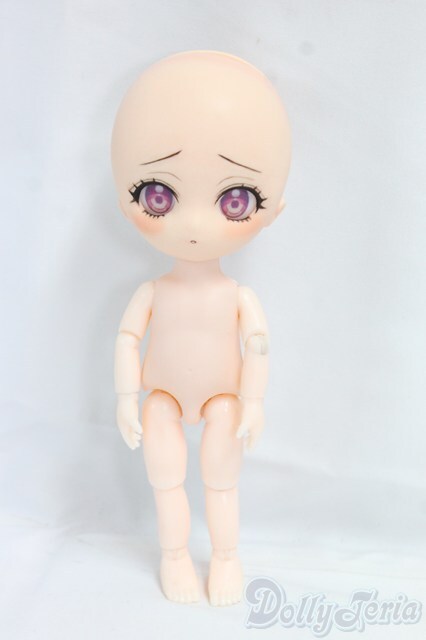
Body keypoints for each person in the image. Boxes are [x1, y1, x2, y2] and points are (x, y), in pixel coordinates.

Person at [111, 50, 291, 606]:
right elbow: (128, 340)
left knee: (221, 479)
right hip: (161, 396)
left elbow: (258, 346)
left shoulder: (237, 297)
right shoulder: (153, 292)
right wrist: (126, 396)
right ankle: (174, 557)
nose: (193, 224)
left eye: (236, 201)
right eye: (158, 195)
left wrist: (254, 403)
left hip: (222, 399)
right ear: (124, 195)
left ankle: (227, 558)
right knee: (166, 479)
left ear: (274, 209)